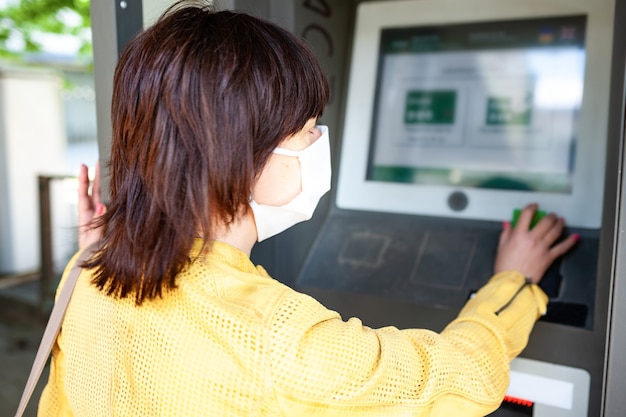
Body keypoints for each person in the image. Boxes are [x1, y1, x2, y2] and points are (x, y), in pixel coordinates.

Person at [38, 2, 578, 416]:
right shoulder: (280, 339)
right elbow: (465, 377)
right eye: (304, 131)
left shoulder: (87, 277)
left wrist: (101, 246)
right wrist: (515, 280)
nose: (320, 140)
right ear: (241, 158)